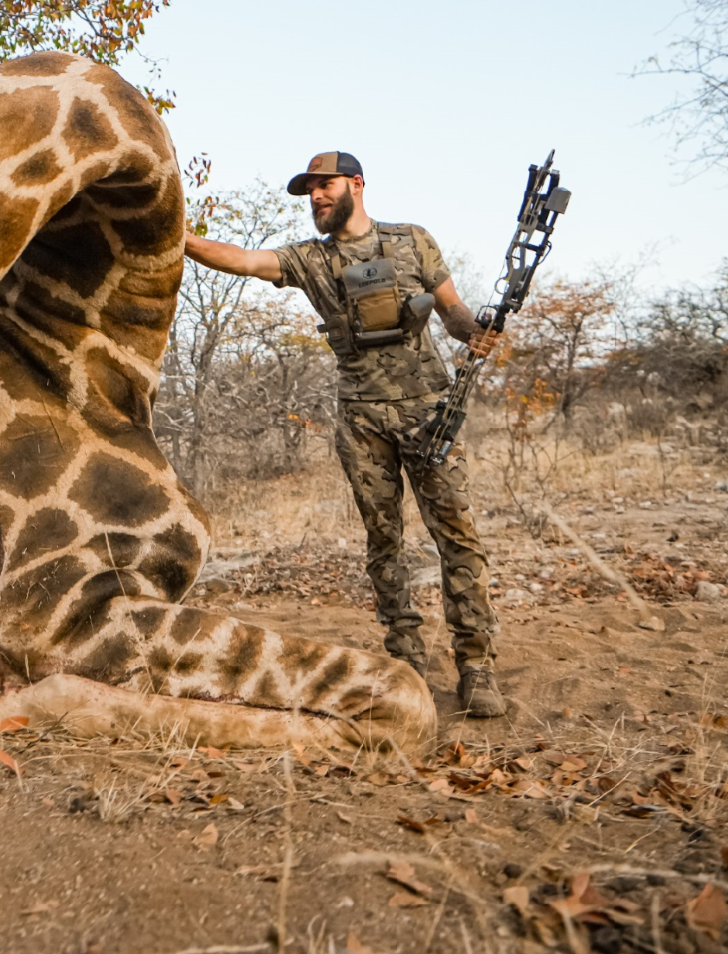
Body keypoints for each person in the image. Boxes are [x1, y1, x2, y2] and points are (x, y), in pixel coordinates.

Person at [182, 152, 506, 717]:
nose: (316, 197)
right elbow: (239, 259)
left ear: (357, 184)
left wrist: (473, 332)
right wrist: (177, 233)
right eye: (309, 191)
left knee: (457, 537)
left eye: (324, 186)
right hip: (361, 420)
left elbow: (452, 311)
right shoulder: (309, 259)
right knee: (384, 545)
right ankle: (407, 664)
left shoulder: (413, 240)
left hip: (429, 411)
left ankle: (477, 667)